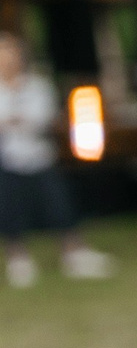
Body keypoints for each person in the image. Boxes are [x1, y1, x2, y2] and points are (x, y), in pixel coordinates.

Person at [0, 31, 113, 288]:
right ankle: (18, 260)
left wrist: (15, 121)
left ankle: (74, 253)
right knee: (10, 211)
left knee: (59, 205)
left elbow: (44, 118)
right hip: (8, 161)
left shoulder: (37, 86)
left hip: (40, 158)